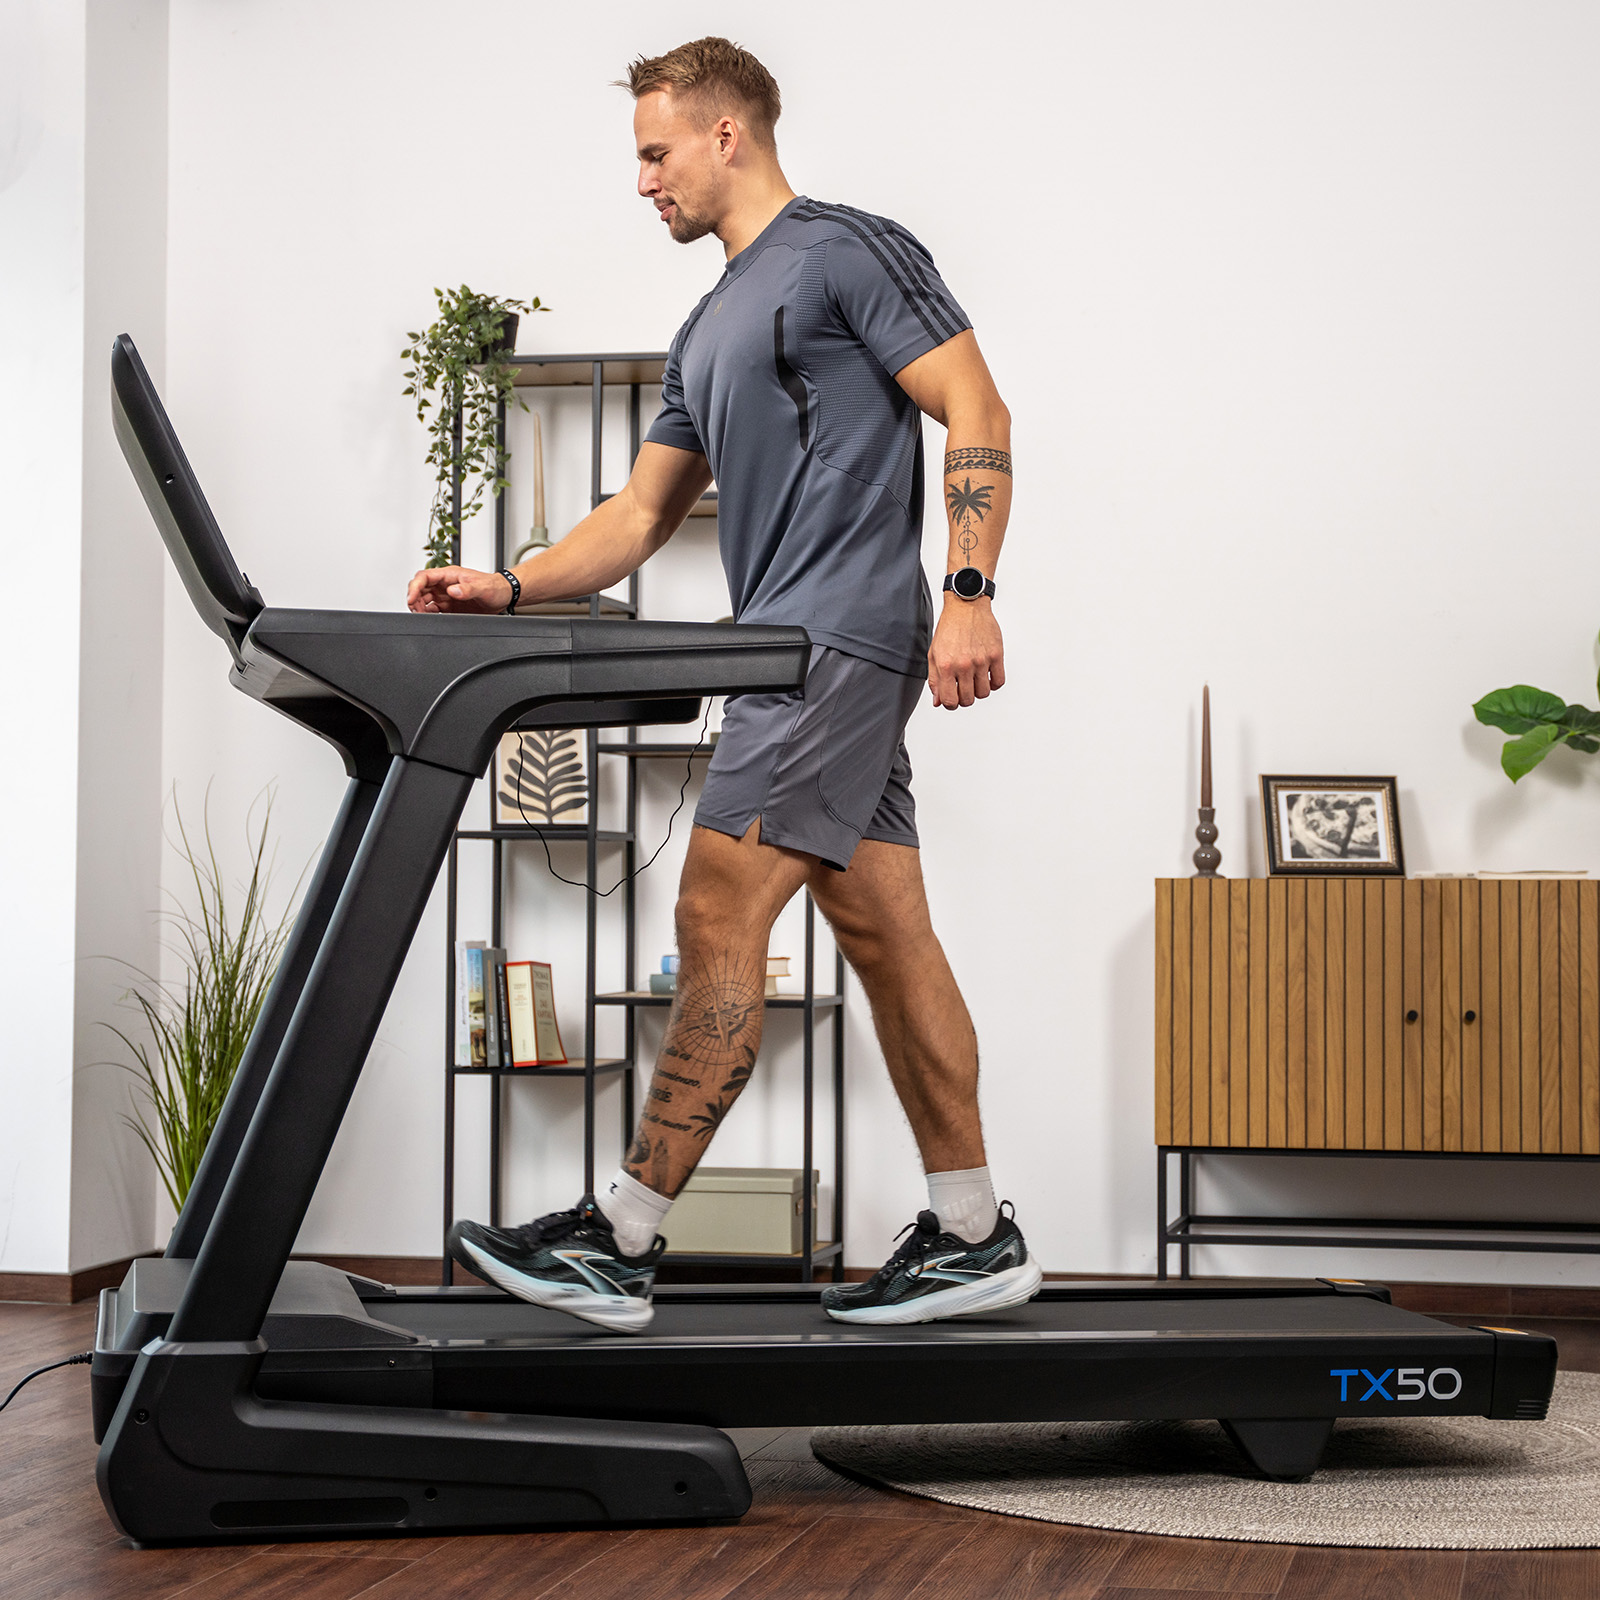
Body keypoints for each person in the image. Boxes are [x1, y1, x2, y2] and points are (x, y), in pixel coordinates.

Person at [408, 36, 1034, 1332]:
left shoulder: (846, 252)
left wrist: (969, 591)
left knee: (715, 916)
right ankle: (975, 1233)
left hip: (832, 644)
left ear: (726, 133)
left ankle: (620, 1241)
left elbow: (976, 405)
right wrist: (513, 586)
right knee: (885, 931)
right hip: (795, 651)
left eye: (655, 152)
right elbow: (638, 515)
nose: (643, 182)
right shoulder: (706, 326)